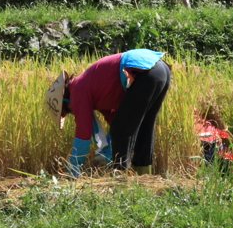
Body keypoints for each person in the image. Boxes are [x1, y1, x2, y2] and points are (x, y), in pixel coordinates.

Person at [45, 48, 171, 177]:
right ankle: (144, 176)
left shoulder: (77, 90)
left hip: (143, 71)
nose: (74, 112)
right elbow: (115, 117)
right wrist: (107, 152)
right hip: (160, 70)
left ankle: (120, 179)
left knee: (121, 128)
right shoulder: (93, 89)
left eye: (68, 111)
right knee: (143, 127)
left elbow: (84, 132)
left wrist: (73, 169)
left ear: (66, 101)